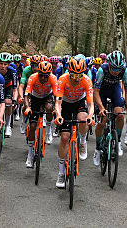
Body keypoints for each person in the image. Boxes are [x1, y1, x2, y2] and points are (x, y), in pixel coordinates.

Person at [53, 55, 95, 188]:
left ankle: (82, 141)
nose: (77, 78)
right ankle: (60, 173)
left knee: (83, 119)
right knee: (65, 137)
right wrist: (59, 115)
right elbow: (58, 102)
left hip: (79, 103)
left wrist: (90, 116)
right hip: (65, 104)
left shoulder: (87, 81)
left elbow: (90, 103)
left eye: (80, 75)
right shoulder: (62, 80)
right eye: (74, 75)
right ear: (69, 73)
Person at [93, 50, 127, 165]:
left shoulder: (125, 71)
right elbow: (96, 91)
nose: (116, 71)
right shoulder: (102, 70)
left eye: (118, 69)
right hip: (102, 92)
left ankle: (118, 140)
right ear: (109, 64)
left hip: (115, 90)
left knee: (119, 114)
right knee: (102, 120)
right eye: (114, 68)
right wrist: (101, 108)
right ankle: (98, 148)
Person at [23, 59, 57, 168]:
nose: (43, 78)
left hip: (47, 96)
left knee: (49, 108)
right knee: (32, 126)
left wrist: (56, 108)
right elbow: (26, 95)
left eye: (45, 76)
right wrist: (27, 107)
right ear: (38, 73)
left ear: (49, 75)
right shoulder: (32, 78)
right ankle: (29, 154)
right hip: (35, 97)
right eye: (41, 75)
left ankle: (48, 130)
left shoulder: (53, 79)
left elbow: (57, 96)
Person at [0, 52, 19, 137]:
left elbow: (15, 89)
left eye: (5, 64)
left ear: (9, 64)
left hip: (8, 88)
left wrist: (15, 100)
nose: (2, 66)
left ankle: (8, 125)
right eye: (1, 63)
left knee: (8, 102)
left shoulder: (12, 72)